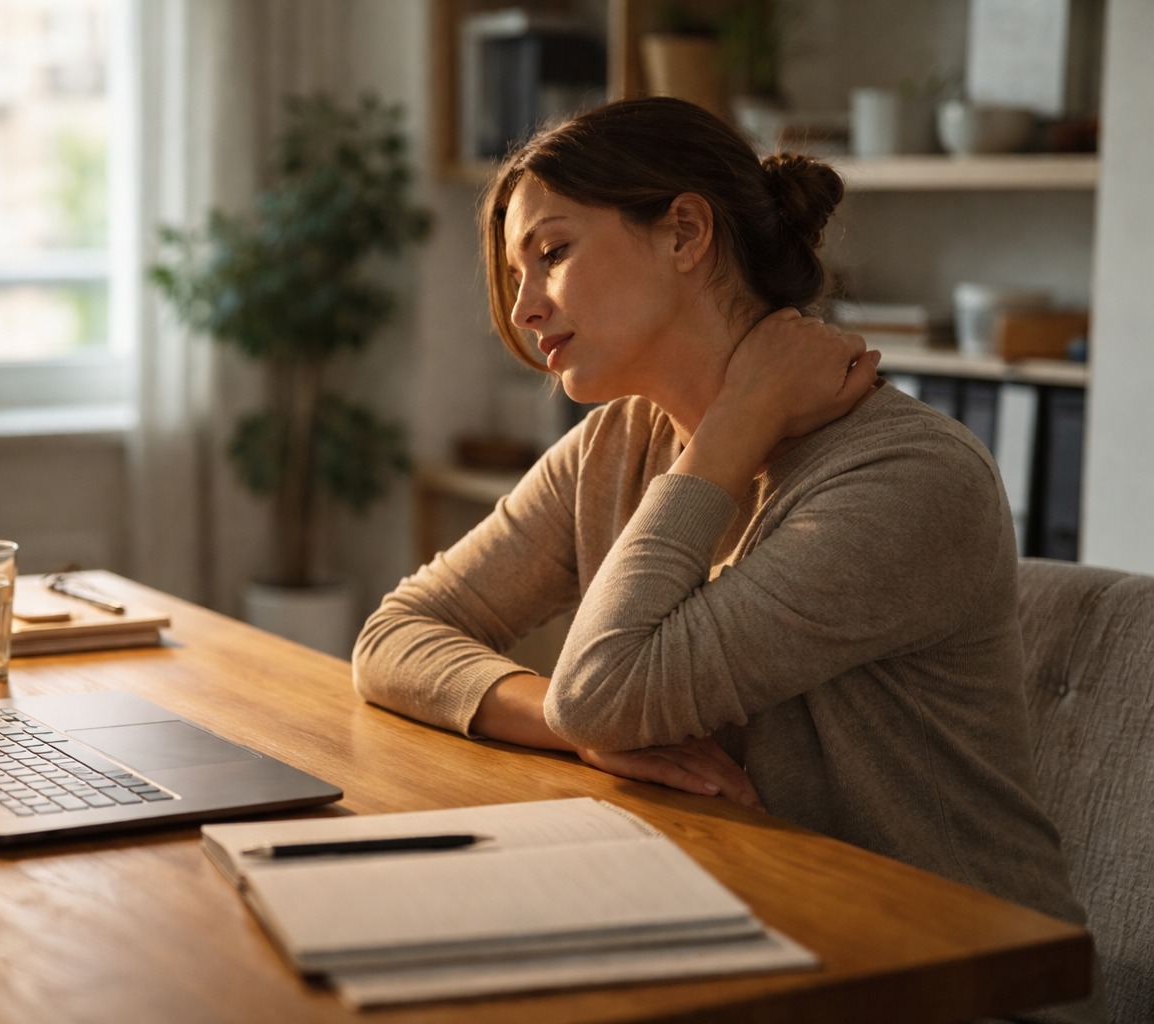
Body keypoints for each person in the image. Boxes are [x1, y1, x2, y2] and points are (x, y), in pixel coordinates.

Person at [352, 98, 1101, 1024]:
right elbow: (396, 634)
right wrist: (574, 730)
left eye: (552, 253)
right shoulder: (616, 445)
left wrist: (732, 429)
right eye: (515, 272)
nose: (523, 306)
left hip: (953, 976)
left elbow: (603, 691)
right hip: (751, 921)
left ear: (685, 232)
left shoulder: (907, 480)